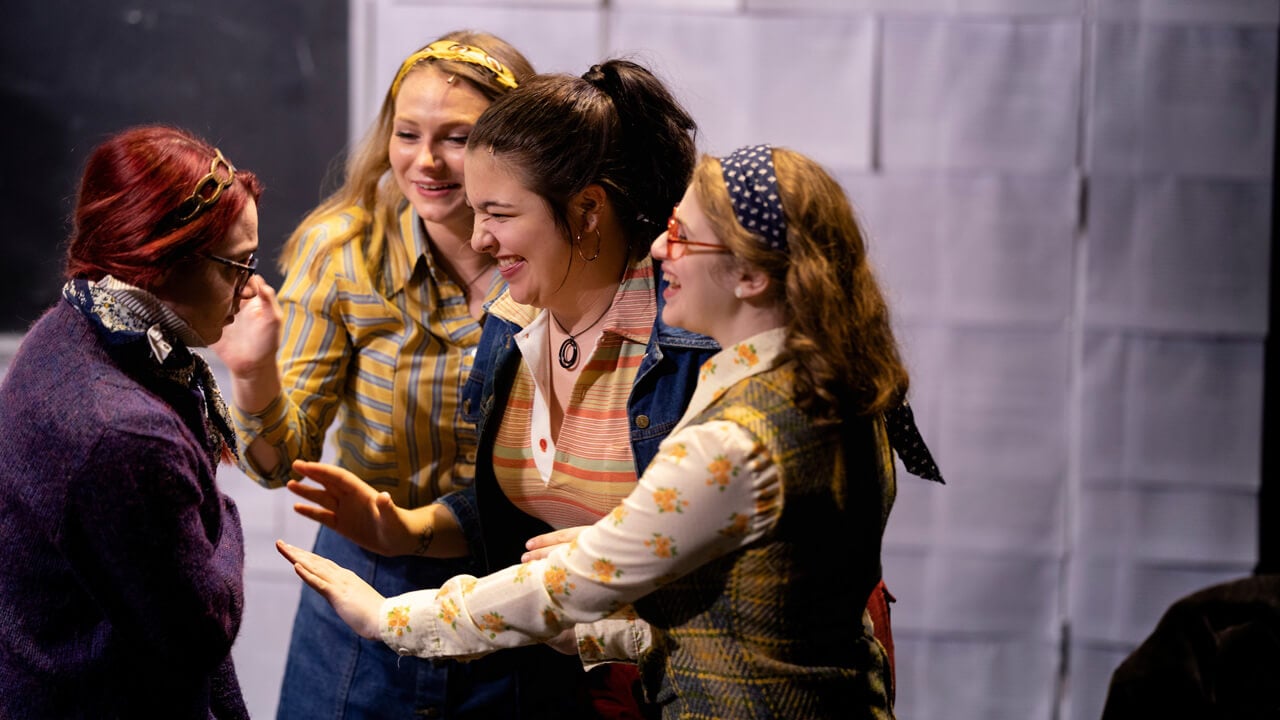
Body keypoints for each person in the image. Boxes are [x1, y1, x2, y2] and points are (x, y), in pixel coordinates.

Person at [278, 143, 946, 719]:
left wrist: (389, 619)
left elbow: (564, 587)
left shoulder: (738, 441)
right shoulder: (840, 384)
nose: (659, 248)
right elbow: (763, 614)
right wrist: (604, 632)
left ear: (749, 275)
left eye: (683, 236)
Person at [277, 59, 716, 716]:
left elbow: (761, 555)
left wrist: (614, 562)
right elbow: (524, 504)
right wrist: (409, 530)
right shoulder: (513, 325)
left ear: (587, 210)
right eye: (475, 211)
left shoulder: (695, 339)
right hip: (581, 675)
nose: (480, 238)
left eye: (499, 213)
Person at [207, 31, 547, 718]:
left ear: (516, 143)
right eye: (407, 133)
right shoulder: (346, 253)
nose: (425, 161)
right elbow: (280, 465)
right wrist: (252, 378)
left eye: (457, 137)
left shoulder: (554, 254)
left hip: (517, 587)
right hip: (369, 581)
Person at [0, 124, 261, 718]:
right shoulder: (123, 436)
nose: (249, 290)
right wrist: (221, 515)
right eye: (236, 267)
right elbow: (204, 627)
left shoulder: (72, 321)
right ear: (162, 259)